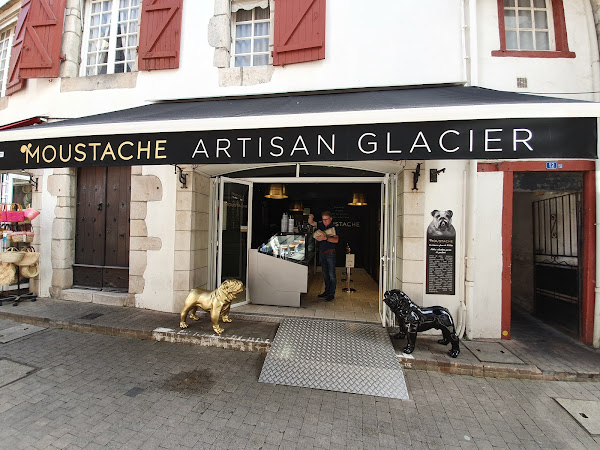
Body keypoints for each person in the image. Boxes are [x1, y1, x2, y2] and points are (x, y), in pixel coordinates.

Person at [308, 211, 339, 301]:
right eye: (323, 219)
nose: (324, 221)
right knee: (325, 274)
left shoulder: (334, 227)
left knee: (331, 274)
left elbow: (336, 240)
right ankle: (326, 291)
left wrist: (325, 238)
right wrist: (310, 217)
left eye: (326, 219)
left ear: (331, 219)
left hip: (330, 253)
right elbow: (311, 223)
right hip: (322, 253)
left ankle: (331, 294)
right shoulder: (321, 225)